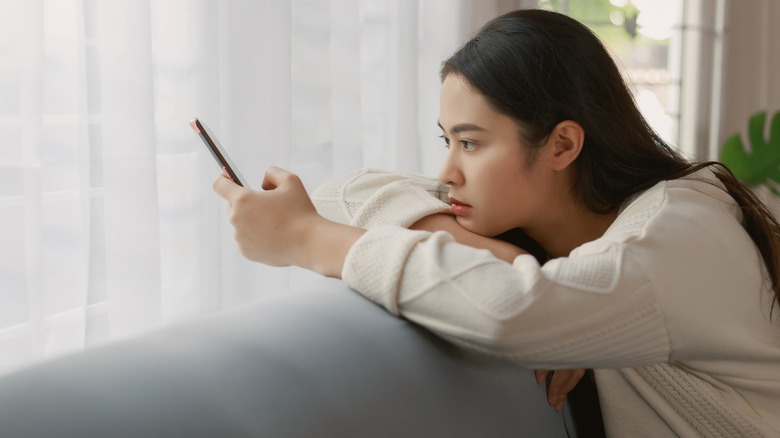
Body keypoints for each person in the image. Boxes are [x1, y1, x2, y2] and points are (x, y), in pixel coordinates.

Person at [213, 9, 780, 437]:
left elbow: (512, 313)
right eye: (446, 139)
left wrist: (308, 240)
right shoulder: (579, 238)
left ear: (562, 144)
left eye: (470, 143)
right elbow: (347, 191)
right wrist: (496, 256)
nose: (447, 170)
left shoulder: (678, 229)